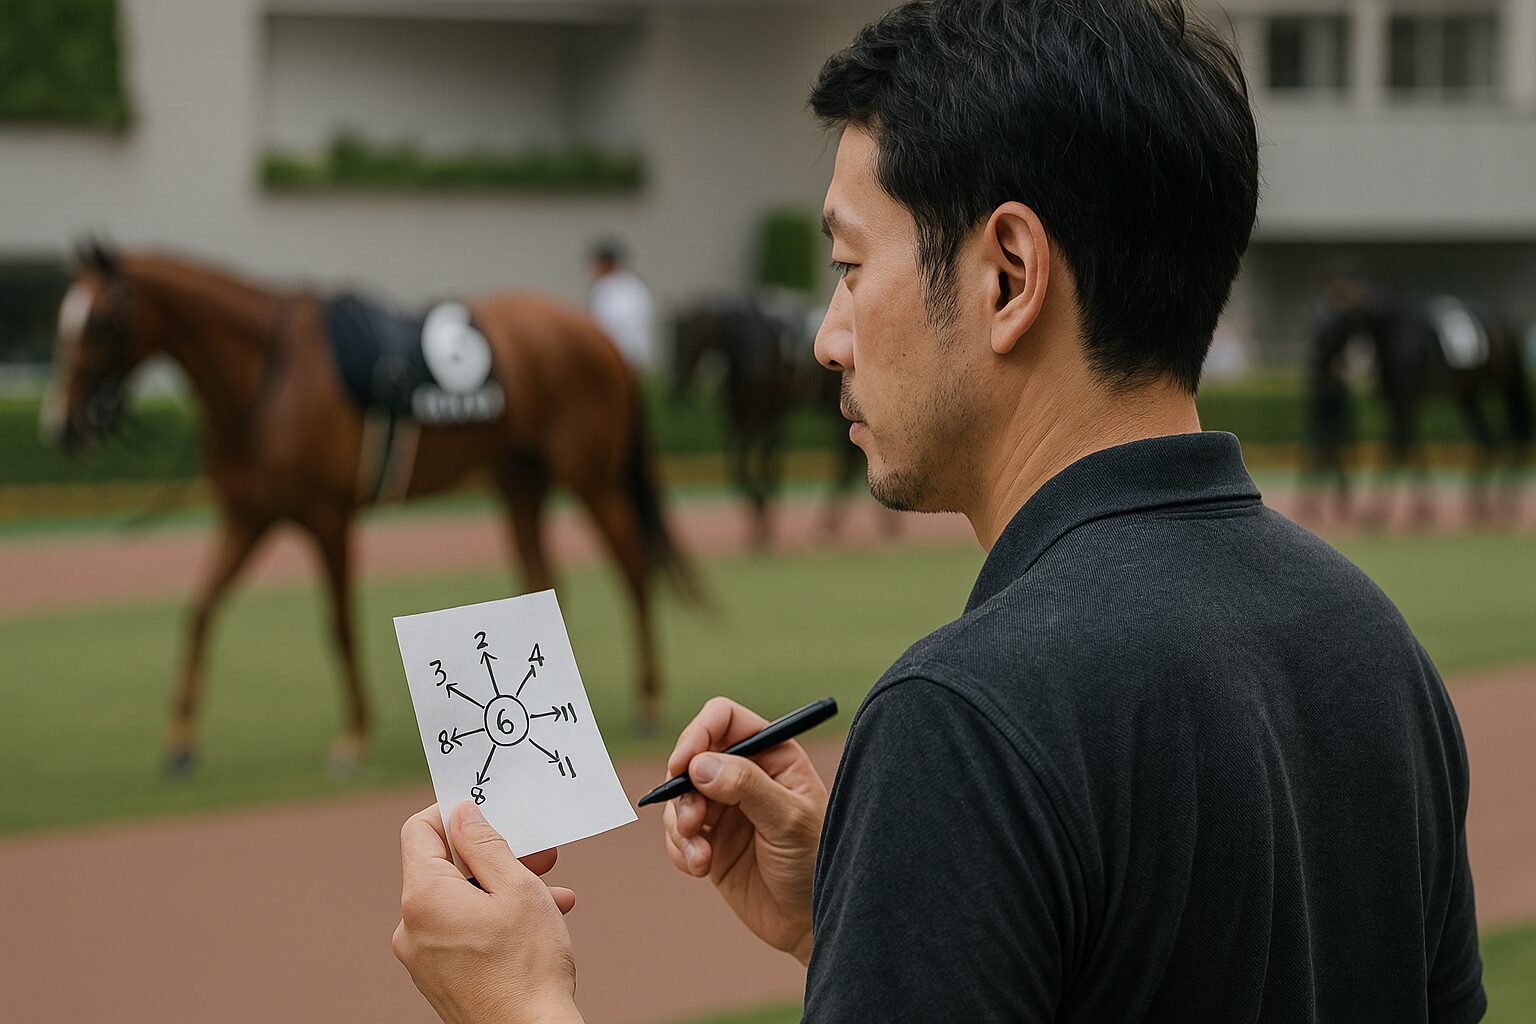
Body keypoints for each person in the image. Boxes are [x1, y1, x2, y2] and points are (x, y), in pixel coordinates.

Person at [393, 2, 1484, 1021]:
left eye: (849, 264)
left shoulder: (964, 716)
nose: (828, 334)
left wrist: (521, 1001)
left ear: (1008, 274)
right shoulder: (1377, 650)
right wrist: (885, 917)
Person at [587, 239, 657, 371]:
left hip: (620, 356)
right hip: (634, 356)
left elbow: (607, 323)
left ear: (606, 264)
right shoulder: (634, 285)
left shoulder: (608, 287)